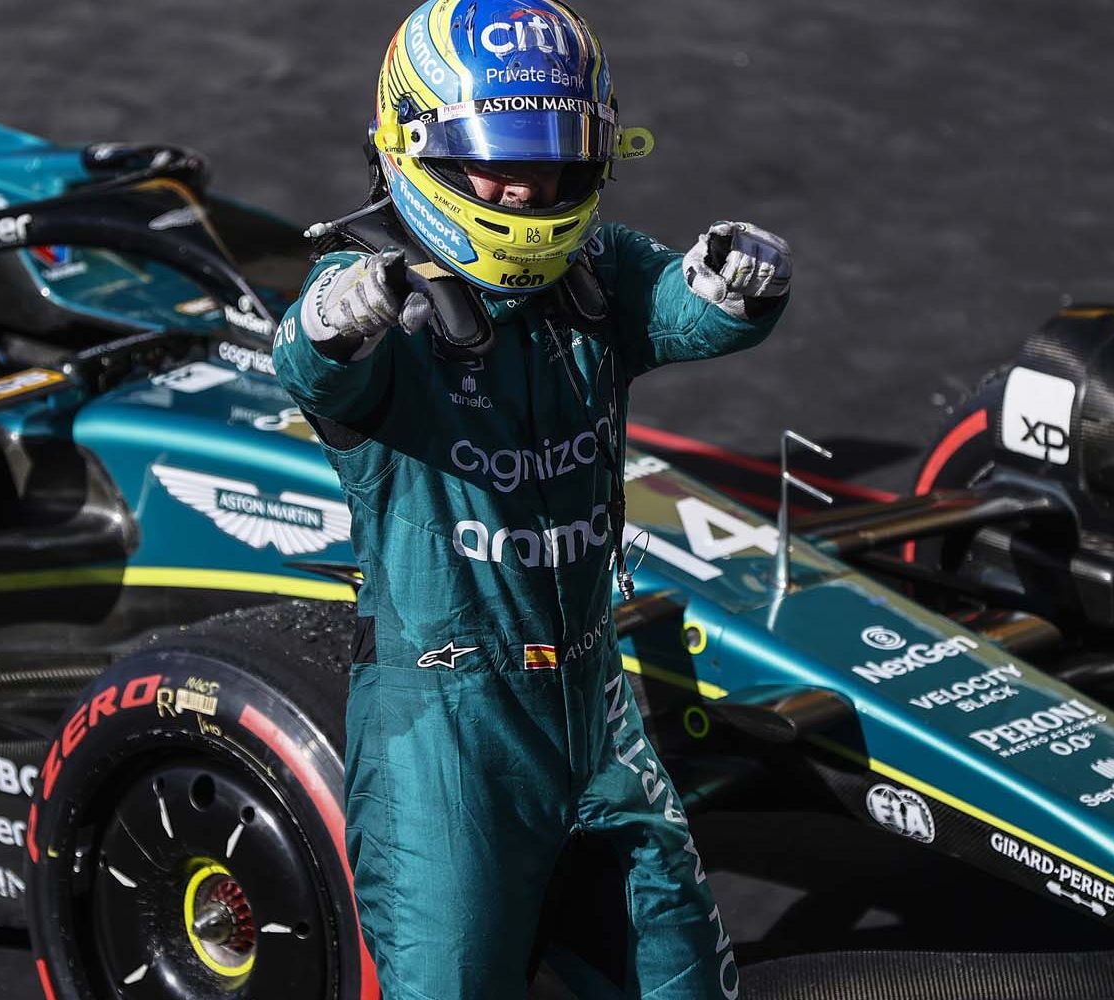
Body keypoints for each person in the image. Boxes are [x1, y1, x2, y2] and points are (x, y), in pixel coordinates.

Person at [273, 2, 792, 997]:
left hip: (599, 714)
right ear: (414, 146)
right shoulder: (371, 296)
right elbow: (311, 361)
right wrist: (340, 317)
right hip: (446, 739)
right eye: (494, 157)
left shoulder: (598, 272)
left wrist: (743, 283)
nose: (525, 184)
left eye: (554, 155)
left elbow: (693, 312)